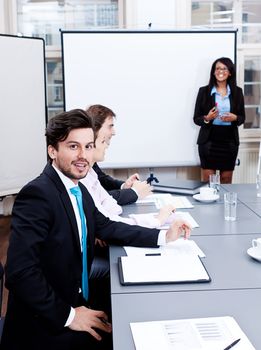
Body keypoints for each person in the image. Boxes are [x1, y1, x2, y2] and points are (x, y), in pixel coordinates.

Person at [0, 109, 191, 350]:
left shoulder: (77, 189)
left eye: (88, 146)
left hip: (74, 298)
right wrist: (70, 316)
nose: (83, 156)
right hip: (44, 323)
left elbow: (108, 227)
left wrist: (164, 235)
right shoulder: (38, 194)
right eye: (73, 147)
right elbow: (20, 273)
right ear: (52, 151)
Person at [81, 123, 176, 229]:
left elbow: (112, 207)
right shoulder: (82, 177)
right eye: (103, 141)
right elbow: (109, 222)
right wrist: (157, 220)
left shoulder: (91, 173)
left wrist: (125, 188)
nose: (107, 145)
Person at [86, 104, 152, 205]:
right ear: (96, 128)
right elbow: (99, 199)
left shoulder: (91, 162)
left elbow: (101, 179)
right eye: (110, 127)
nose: (114, 132)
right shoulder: (82, 162)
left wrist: (124, 186)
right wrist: (134, 192)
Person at [193, 57, 245, 184]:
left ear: (230, 72)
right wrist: (207, 118)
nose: (220, 71)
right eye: (217, 68)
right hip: (208, 141)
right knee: (208, 182)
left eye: (224, 68)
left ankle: (224, 205)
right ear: (213, 72)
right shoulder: (204, 91)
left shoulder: (237, 92)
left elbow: (242, 117)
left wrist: (235, 118)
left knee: (226, 180)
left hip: (229, 142)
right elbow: (196, 118)